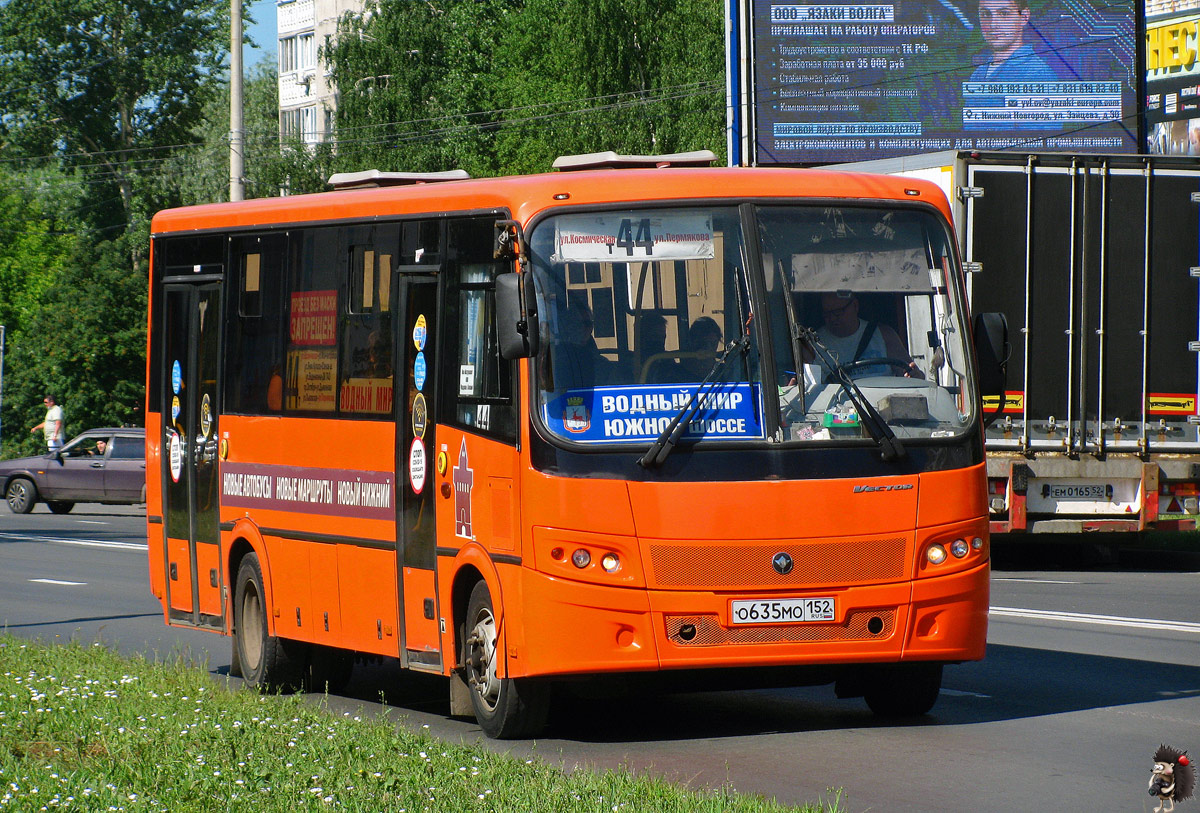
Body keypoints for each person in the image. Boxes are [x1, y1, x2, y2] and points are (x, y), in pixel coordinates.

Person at [813, 293, 920, 379]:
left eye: (838, 312)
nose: (832, 319)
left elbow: (911, 373)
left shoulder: (884, 335)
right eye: (827, 313)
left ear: (855, 306)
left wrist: (914, 374)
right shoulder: (814, 343)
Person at [969, 0, 1056, 82]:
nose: (993, 25)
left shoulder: (1038, 74)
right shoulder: (977, 75)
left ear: (1024, 17)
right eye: (985, 14)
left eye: (1004, 13)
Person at [677, 317, 723, 381]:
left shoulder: (725, 372)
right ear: (691, 342)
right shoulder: (676, 374)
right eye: (702, 343)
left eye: (713, 343)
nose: (708, 348)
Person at [637, 313, 679, 383]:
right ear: (642, 337)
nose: (659, 341)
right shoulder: (632, 363)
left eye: (662, 337)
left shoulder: (667, 360)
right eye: (654, 336)